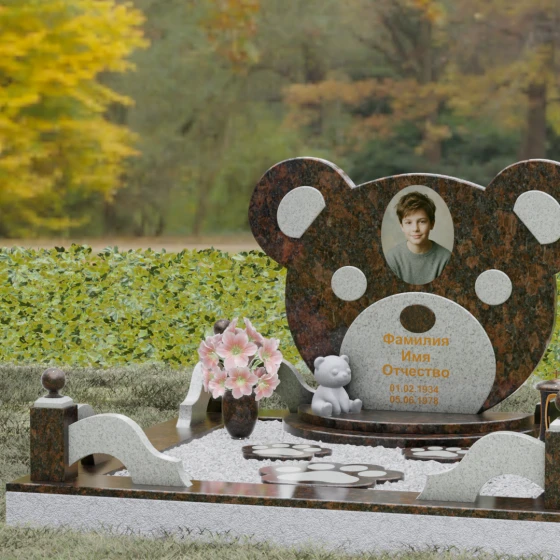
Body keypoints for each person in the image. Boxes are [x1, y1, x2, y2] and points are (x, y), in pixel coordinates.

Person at [385, 191, 451, 284]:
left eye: (422, 222)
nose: (415, 229)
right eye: (408, 222)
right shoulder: (392, 258)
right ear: (402, 226)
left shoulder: (445, 258)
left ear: (432, 224)